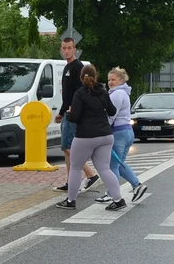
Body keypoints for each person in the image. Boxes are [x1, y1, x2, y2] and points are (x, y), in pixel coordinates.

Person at [56, 64, 125, 211]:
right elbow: (112, 111)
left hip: (85, 137)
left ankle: (70, 201)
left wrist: (68, 113)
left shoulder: (79, 94)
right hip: (105, 136)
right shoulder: (103, 91)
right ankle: (118, 200)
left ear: (81, 78)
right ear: (96, 76)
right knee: (105, 169)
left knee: (75, 167)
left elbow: (74, 117)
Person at [54, 36, 99, 194]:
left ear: (75, 49)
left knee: (68, 148)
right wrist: (60, 112)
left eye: (69, 48)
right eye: (64, 48)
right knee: (67, 149)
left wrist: (75, 110)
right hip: (66, 113)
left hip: (73, 114)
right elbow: (67, 95)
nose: (66, 51)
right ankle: (70, 181)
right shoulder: (67, 68)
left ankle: (90, 174)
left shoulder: (77, 67)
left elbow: (80, 92)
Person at [95, 67, 148, 204]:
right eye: (109, 79)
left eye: (113, 79)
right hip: (126, 131)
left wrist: (101, 128)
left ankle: (113, 194)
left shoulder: (117, 94)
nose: (110, 82)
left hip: (118, 132)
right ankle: (137, 185)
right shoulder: (123, 93)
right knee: (119, 163)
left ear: (121, 80)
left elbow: (111, 115)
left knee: (112, 165)